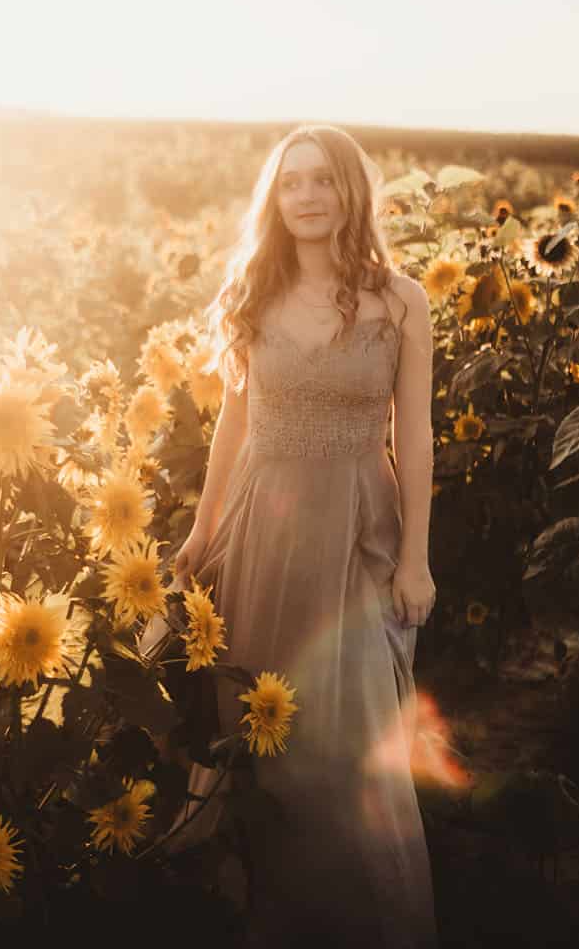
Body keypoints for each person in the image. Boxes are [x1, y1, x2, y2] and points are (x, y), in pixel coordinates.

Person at [167, 123, 439, 947]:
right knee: (258, 727)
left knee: (347, 738)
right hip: (261, 530)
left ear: (351, 192)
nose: (307, 198)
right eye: (291, 184)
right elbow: (232, 426)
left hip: (359, 531)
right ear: (274, 200)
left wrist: (418, 558)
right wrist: (201, 531)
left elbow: (416, 435)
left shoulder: (402, 300)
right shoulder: (252, 295)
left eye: (322, 181)